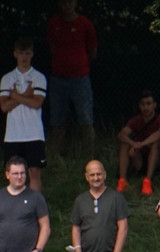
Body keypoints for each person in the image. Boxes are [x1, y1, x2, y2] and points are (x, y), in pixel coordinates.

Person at [46, 0, 97, 159]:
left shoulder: (85, 24)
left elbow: (92, 51)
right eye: (64, 2)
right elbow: (52, 47)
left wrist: (79, 64)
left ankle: (89, 158)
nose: (67, 5)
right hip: (58, 79)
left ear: (75, 3)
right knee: (57, 121)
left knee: (86, 120)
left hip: (80, 79)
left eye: (70, 2)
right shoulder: (53, 24)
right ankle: (54, 159)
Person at [0, 36, 47, 191]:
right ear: (15, 54)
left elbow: (37, 103)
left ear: (32, 54)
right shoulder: (7, 78)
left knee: (34, 172)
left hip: (34, 133)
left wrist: (15, 96)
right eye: (21, 53)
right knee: (14, 173)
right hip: (13, 134)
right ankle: (16, 202)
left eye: (27, 53)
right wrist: (26, 95)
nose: (24, 57)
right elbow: (4, 106)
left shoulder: (38, 77)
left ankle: (35, 204)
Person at [70, 160, 129, 252]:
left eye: (99, 174)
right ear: (86, 177)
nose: (96, 178)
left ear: (104, 175)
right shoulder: (80, 200)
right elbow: (75, 228)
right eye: (92, 175)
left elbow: (123, 227)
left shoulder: (116, 198)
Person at [117, 90, 160, 196]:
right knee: (124, 143)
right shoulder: (135, 120)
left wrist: (141, 144)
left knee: (156, 143)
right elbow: (121, 134)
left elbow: (159, 133)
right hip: (140, 158)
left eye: (148, 104)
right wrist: (133, 144)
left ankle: (147, 181)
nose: (146, 107)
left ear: (154, 105)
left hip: (158, 159)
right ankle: (122, 180)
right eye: (143, 104)